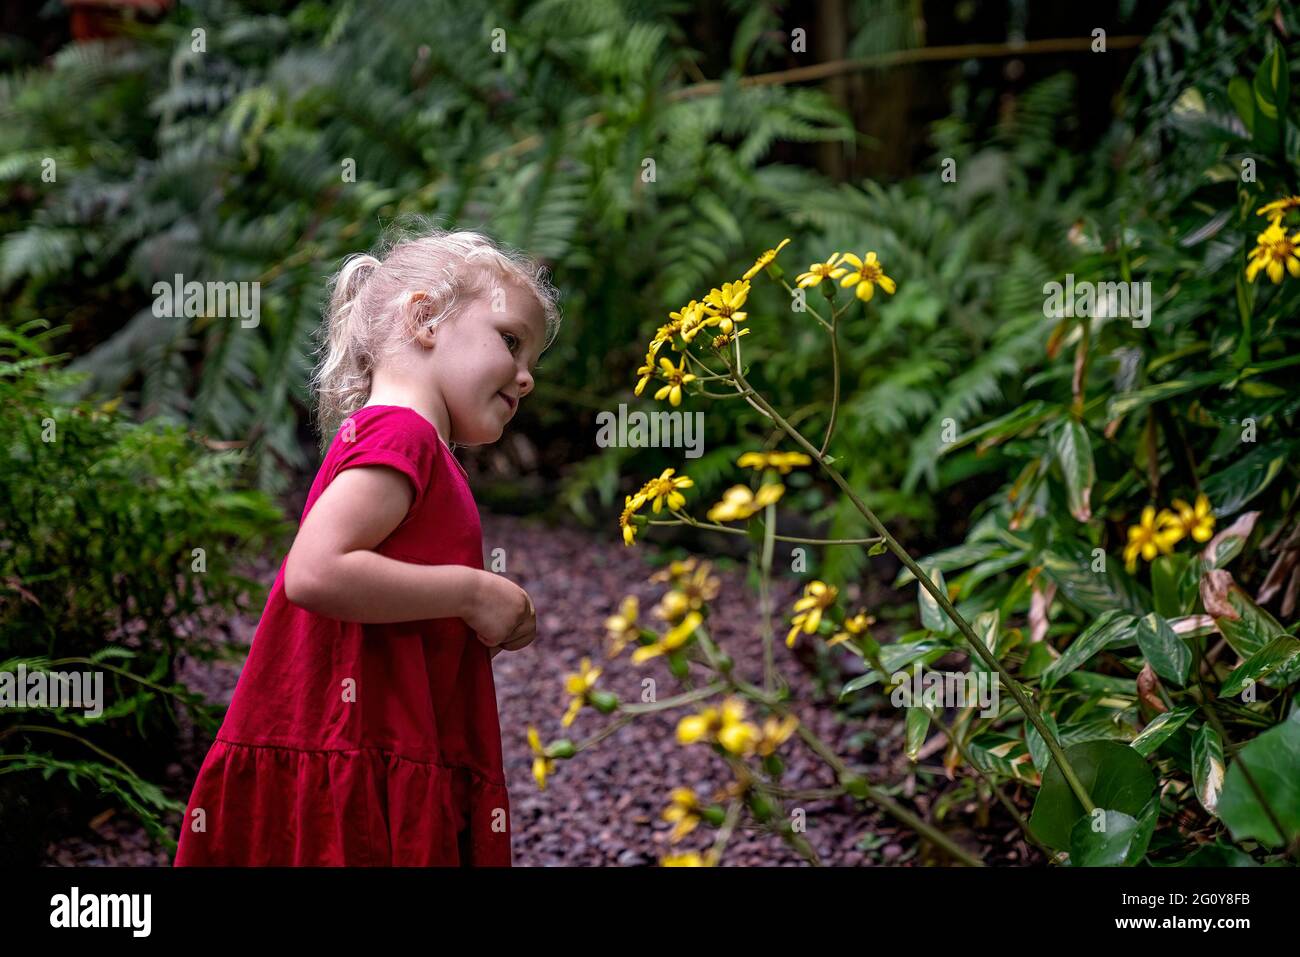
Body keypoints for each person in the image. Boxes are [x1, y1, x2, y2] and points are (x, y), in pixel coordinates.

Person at [173, 224, 560, 865]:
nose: (525, 379)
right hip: (357, 753)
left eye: (532, 364)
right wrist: (471, 592)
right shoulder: (401, 436)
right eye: (511, 343)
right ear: (425, 318)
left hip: (379, 745)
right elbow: (317, 572)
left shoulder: (405, 444)